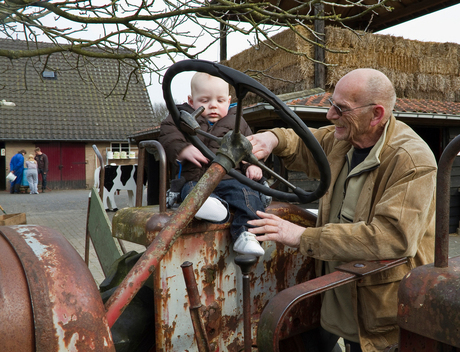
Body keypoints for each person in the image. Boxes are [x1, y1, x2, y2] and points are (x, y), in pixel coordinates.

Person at [246, 68, 437, 351]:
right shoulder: (343, 140)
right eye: (331, 104)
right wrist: (271, 139)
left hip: (380, 308)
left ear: (376, 114)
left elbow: (391, 237)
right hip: (335, 290)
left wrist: (300, 236)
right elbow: (302, 143)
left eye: (341, 108)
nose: (330, 115)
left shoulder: (411, 160)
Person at [159, 72, 266, 256]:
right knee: (190, 192)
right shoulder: (182, 118)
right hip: (196, 178)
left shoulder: (237, 121)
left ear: (229, 100)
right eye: (205, 100)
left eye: (220, 100)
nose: (213, 105)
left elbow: (250, 147)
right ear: (191, 101)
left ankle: (246, 235)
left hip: (230, 178)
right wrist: (182, 148)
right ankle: (212, 208)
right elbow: (168, 133)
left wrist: (253, 165)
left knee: (247, 195)